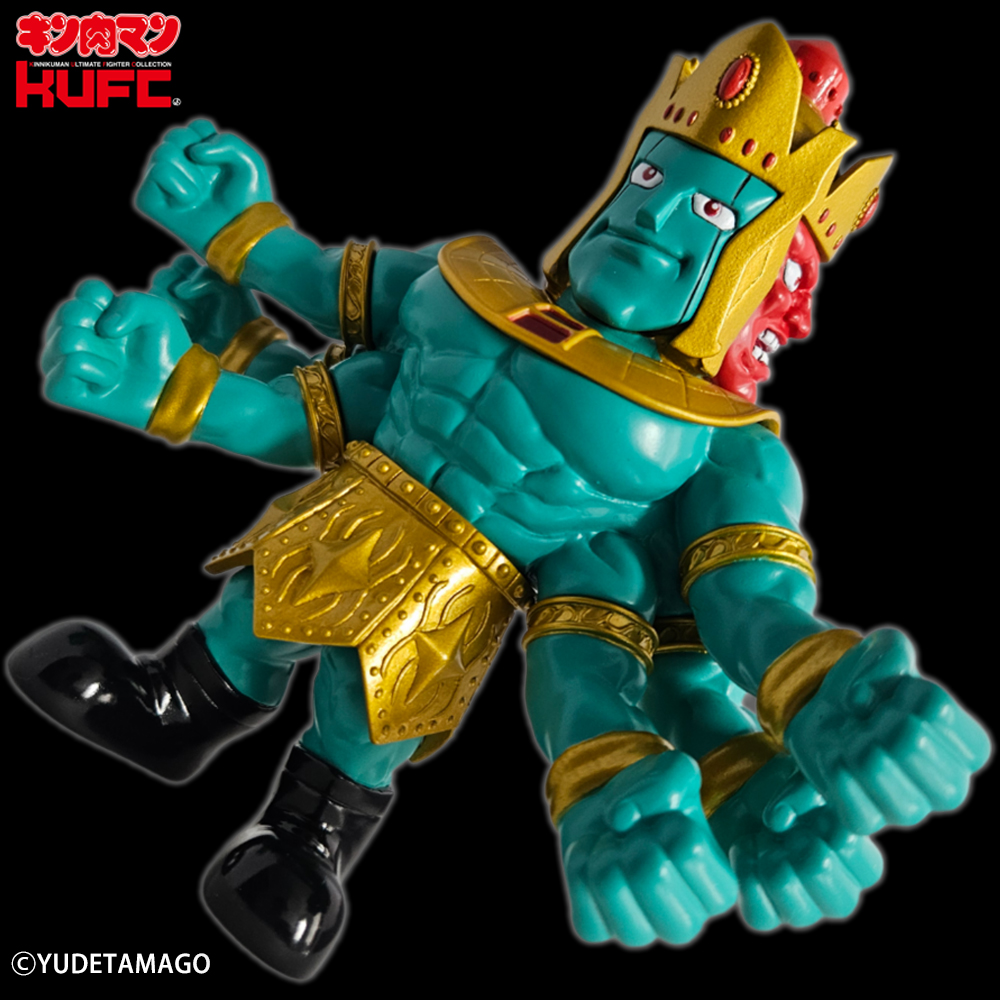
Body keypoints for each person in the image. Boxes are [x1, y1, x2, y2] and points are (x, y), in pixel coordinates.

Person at [7, 23, 988, 980]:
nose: (653, 214)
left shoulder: (703, 443)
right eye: (652, 177)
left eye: (710, 213)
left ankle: (305, 844)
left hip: (455, 599)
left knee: (362, 720)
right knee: (246, 617)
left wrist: (811, 689)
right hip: (347, 510)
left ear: (761, 273)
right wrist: (223, 250)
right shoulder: (466, 286)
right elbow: (316, 316)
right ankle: (170, 706)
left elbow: (718, 608)